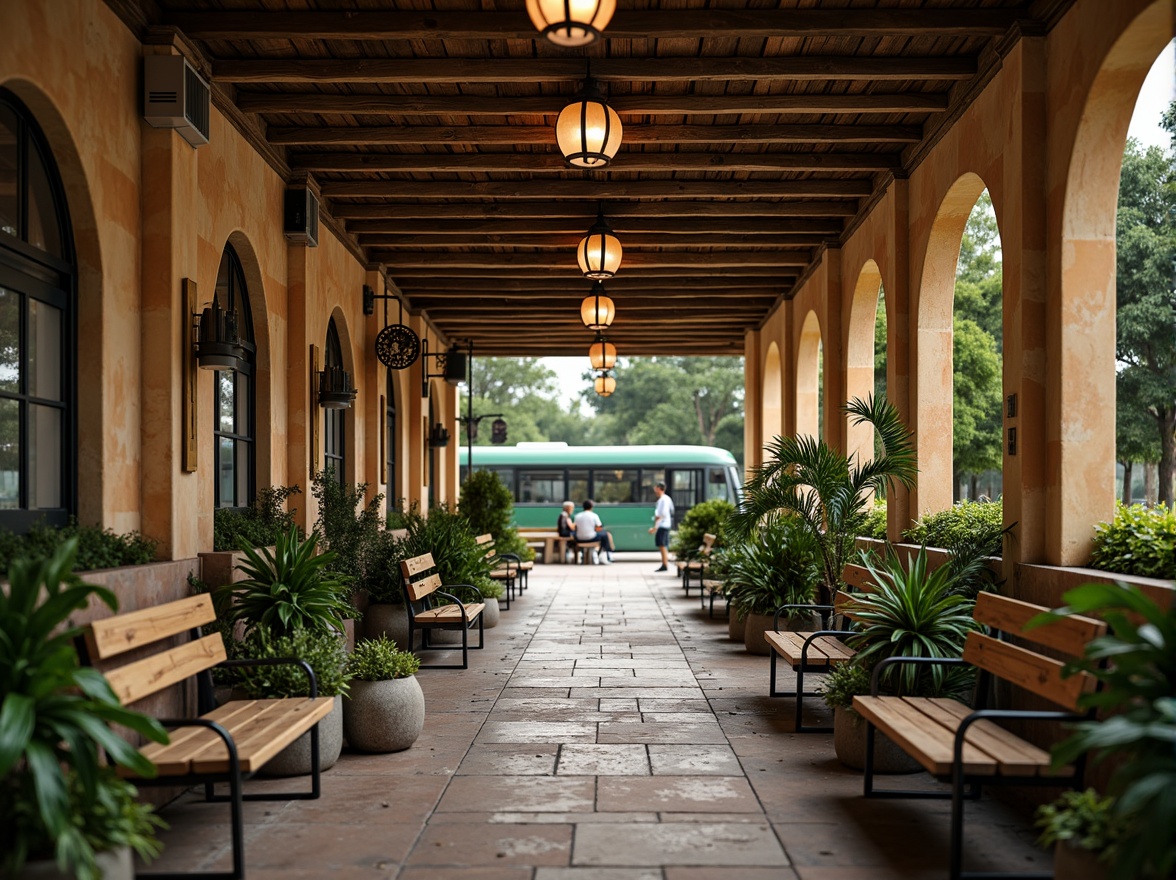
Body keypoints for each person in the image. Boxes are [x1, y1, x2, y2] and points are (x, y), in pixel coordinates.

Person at [573, 499, 614, 564]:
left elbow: (575, 527)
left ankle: (583, 555)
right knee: (605, 534)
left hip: (579, 538)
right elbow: (599, 528)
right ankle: (606, 555)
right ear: (591, 507)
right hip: (591, 537)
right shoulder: (594, 515)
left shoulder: (577, 516)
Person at [648, 481, 674, 571]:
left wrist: (655, 527)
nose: (655, 490)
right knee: (662, 545)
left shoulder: (663, 500)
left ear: (659, 488)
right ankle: (664, 563)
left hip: (663, 525)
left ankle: (665, 564)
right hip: (663, 525)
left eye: (656, 488)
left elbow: (662, 514)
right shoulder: (666, 499)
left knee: (662, 545)